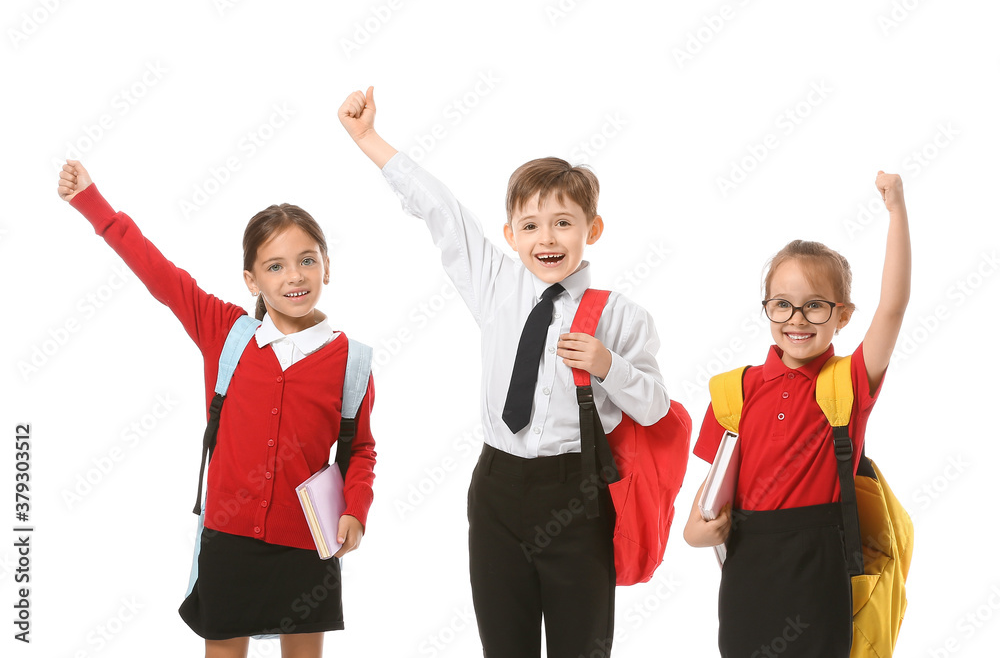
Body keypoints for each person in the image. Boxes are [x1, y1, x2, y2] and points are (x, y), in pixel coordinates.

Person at [338, 86, 670, 658]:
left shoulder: (620, 316)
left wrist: (607, 364)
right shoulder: (494, 284)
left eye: (564, 223)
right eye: (532, 225)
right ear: (511, 234)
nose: (548, 238)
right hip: (496, 488)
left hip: (579, 494)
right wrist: (369, 139)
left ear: (592, 229)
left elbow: (656, 407)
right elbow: (439, 208)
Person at [57, 160, 376, 658]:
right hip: (228, 539)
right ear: (251, 280)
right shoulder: (225, 332)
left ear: (328, 267)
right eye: (275, 266)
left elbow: (361, 450)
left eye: (307, 260)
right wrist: (92, 204)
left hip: (307, 544)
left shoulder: (351, 359)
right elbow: (159, 273)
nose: (294, 276)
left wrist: (356, 509)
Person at [682, 172, 911, 657]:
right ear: (767, 308)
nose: (796, 320)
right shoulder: (735, 390)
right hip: (747, 571)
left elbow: (893, 308)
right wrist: (694, 529)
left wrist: (896, 213)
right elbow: (714, 488)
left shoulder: (846, 383)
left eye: (814, 307)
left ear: (843, 315)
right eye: (782, 305)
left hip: (820, 570)